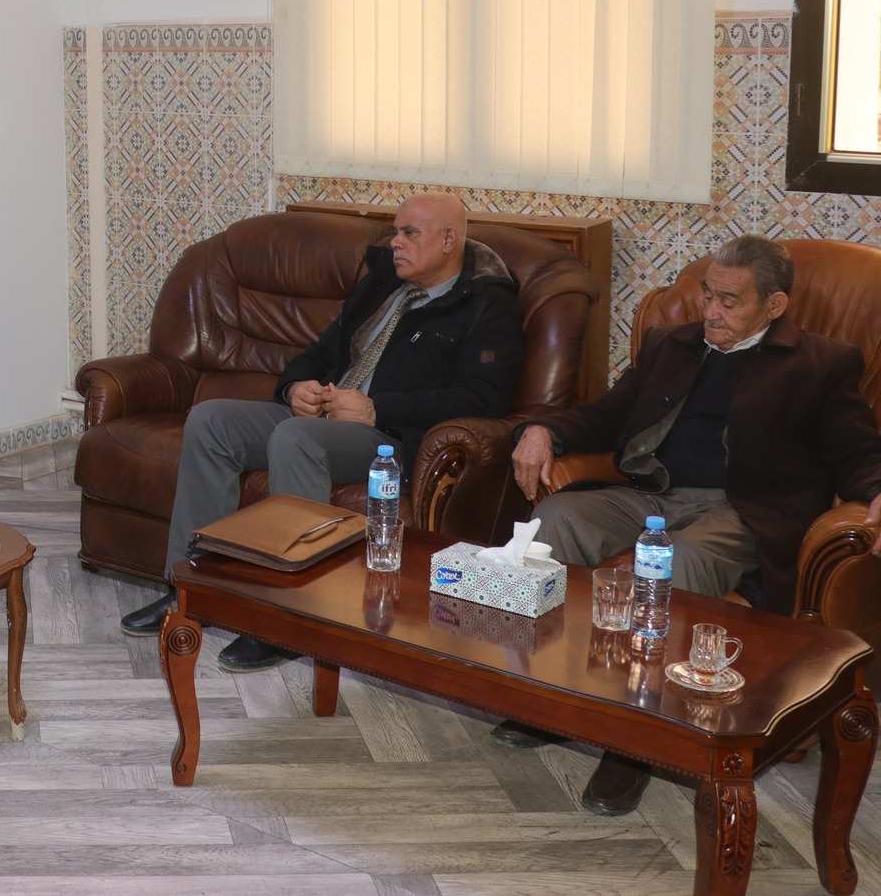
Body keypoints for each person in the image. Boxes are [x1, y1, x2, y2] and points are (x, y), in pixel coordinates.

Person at [501, 233, 881, 816]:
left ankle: (635, 743)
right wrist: (544, 431)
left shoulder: (821, 363)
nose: (711, 311)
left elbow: (857, 450)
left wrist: (877, 490)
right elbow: (607, 414)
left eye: (730, 301)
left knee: (674, 564)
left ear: (774, 305)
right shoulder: (671, 344)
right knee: (556, 519)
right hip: (651, 492)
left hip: (738, 510)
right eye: (708, 295)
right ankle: (549, 698)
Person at [120, 193, 525, 667]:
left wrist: (376, 409)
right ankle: (192, 589)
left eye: (409, 233)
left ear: (449, 239)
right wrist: (294, 387)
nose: (395, 242)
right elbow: (319, 351)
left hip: (389, 438)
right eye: (395, 231)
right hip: (325, 416)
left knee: (297, 438)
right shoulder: (383, 285)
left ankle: (290, 618)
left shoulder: (486, 304)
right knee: (211, 421)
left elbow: (483, 398)